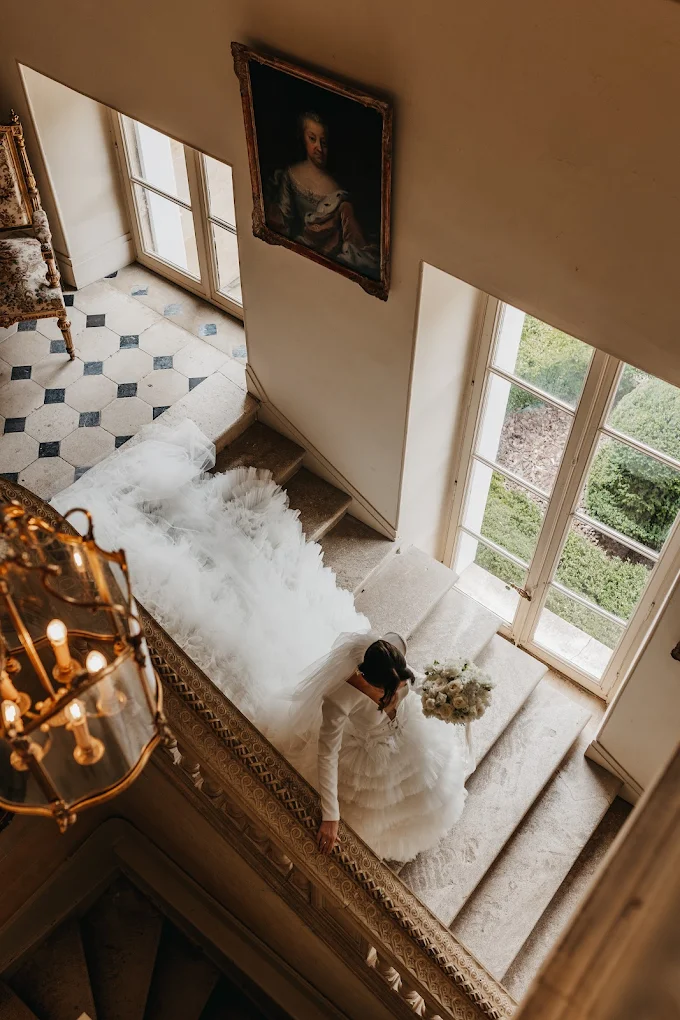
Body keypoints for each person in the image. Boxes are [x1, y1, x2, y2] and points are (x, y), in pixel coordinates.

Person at [282, 631, 470, 863]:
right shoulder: (338, 700)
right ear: (371, 681)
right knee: (381, 810)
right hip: (370, 752)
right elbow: (327, 756)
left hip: (410, 734)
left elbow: (418, 682)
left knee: (425, 788)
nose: (397, 693)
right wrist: (331, 816)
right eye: (389, 691)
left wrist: (449, 695)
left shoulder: (393, 665)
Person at [266, 110, 379, 275]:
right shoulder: (291, 174)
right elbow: (284, 217)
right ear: (302, 138)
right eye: (312, 139)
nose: (319, 147)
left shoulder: (337, 191)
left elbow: (350, 240)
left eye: (324, 142)